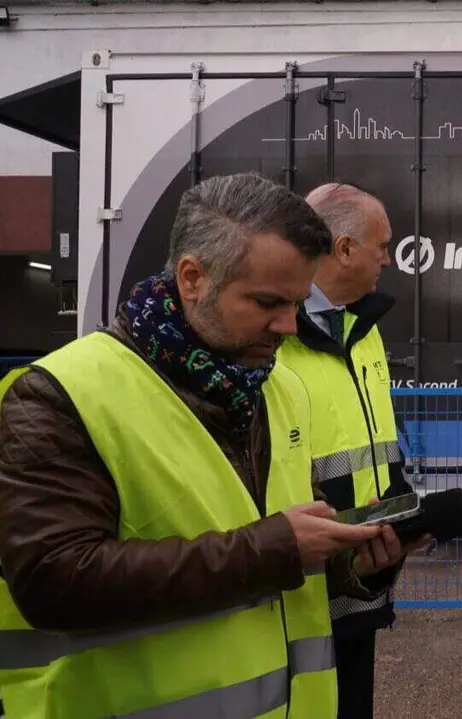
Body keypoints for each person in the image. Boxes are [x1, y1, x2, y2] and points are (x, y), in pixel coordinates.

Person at [0, 173, 413, 717]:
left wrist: (355, 568)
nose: (289, 325)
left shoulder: (276, 386)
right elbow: (54, 580)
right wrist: (273, 549)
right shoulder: (59, 395)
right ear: (193, 277)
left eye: (296, 301)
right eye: (268, 301)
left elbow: (288, 545)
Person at [276, 181, 431, 719]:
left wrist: (401, 506)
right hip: (296, 588)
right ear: (343, 248)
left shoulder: (363, 331)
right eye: (381, 245)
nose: (389, 259)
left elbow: (374, 443)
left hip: (362, 578)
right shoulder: (272, 336)